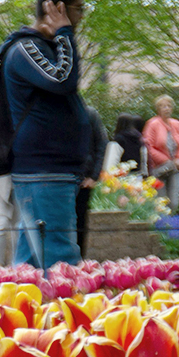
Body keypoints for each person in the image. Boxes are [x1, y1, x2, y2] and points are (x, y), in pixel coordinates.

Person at [0, 0, 91, 270]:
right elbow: (62, 79)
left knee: (32, 262)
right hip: (43, 170)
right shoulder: (26, 48)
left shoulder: (44, 47)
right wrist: (64, 33)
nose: (81, 17)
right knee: (58, 260)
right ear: (59, 8)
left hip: (52, 169)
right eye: (79, 9)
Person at [144, 95, 179, 209]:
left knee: (174, 203)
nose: (167, 109)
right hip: (159, 169)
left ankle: (171, 224)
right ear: (158, 109)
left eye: (169, 106)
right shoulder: (152, 124)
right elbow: (148, 147)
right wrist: (166, 160)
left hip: (174, 168)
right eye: (163, 106)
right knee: (161, 203)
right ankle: (161, 225)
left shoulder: (176, 124)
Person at [77, 106, 106, 256]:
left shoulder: (90, 113)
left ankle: (79, 262)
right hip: (62, 178)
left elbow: (101, 143)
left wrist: (94, 176)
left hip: (84, 179)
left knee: (80, 222)